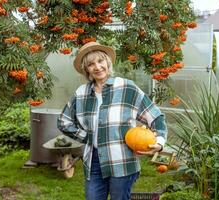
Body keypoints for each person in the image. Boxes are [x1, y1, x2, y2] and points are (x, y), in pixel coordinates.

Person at [57, 42, 167, 200]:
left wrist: (160, 141)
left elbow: (156, 117)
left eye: (100, 61)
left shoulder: (127, 88)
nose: (97, 67)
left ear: (107, 62)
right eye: (91, 64)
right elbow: (63, 122)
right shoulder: (81, 94)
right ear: (86, 69)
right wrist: (87, 136)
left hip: (122, 159)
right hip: (93, 160)